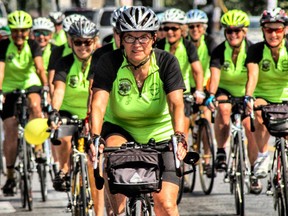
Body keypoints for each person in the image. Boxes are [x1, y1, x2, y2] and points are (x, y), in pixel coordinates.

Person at [89, 6, 187, 216]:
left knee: (166, 205)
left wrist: (179, 136)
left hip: (161, 133)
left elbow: (176, 104)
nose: (137, 44)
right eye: (130, 37)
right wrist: (95, 138)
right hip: (120, 129)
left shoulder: (166, 61)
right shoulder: (109, 62)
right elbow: (98, 103)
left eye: (143, 37)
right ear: (121, 39)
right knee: (112, 158)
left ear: (153, 38)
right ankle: (120, 212)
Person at [47, 19, 103, 215]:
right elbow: (59, 90)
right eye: (78, 42)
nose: (82, 47)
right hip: (68, 111)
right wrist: (54, 111)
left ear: (95, 42)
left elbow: (93, 91)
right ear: (70, 42)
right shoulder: (64, 62)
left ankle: (98, 212)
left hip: (92, 111)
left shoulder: (100, 61)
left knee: (93, 166)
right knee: (62, 137)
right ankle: (65, 169)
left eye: (87, 42)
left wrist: (90, 117)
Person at [204, 10, 262, 194]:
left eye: (237, 31)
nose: (233, 35)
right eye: (229, 31)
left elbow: (253, 75)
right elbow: (214, 76)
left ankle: (253, 171)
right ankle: (221, 150)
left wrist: (249, 96)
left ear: (244, 31)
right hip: (225, 90)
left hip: (246, 91)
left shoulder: (252, 50)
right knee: (223, 109)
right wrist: (211, 95)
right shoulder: (219, 50)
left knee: (249, 127)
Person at [0, 10, 48, 196]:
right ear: (11, 31)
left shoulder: (33, 44)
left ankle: (38, 148)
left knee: (36, 106)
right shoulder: (4, 46)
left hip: (30, 82)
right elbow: (1, 71)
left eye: (23, 30)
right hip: (10, 87)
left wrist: (45, 87)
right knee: (10, 127)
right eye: (15, 31)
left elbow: (39, 67)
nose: (19, 34)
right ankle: (11, 175)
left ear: (28, 31)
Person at [245, 8, 288, 193]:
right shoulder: (255, 50)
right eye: (269, 30)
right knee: (257, 111)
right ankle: (263, 156)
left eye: (277, 29)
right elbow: (253, 76)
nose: (273, 34)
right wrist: (249, 96)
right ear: (263, 30)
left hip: (286, 95)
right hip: (264, 96)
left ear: (285, 30)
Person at [156, 8, 205, 142]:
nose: (170, 32)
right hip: (161, 92)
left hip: (183, 91)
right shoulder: (158, 45)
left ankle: (182, 158)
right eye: (166, 29)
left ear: (182, 30)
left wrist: (200, 90)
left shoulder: (188, 46)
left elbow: (197, 70)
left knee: (181, 128)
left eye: (174, 28)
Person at [185, 9, 218, 175]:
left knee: (205, 117)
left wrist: (209, 90)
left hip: (204, 86)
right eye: (191, 26)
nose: (195, 29)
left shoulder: (210, 42)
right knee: (183, 121)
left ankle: (206, 159)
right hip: (186, 86)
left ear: (204, 28)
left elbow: (215, 67)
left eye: (198, 26)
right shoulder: (184, 43)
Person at [47, 14, 88, 95]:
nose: (74, 39)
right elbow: (52, 80)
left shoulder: (92, 52)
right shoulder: (58, 51)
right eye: (70, 35)